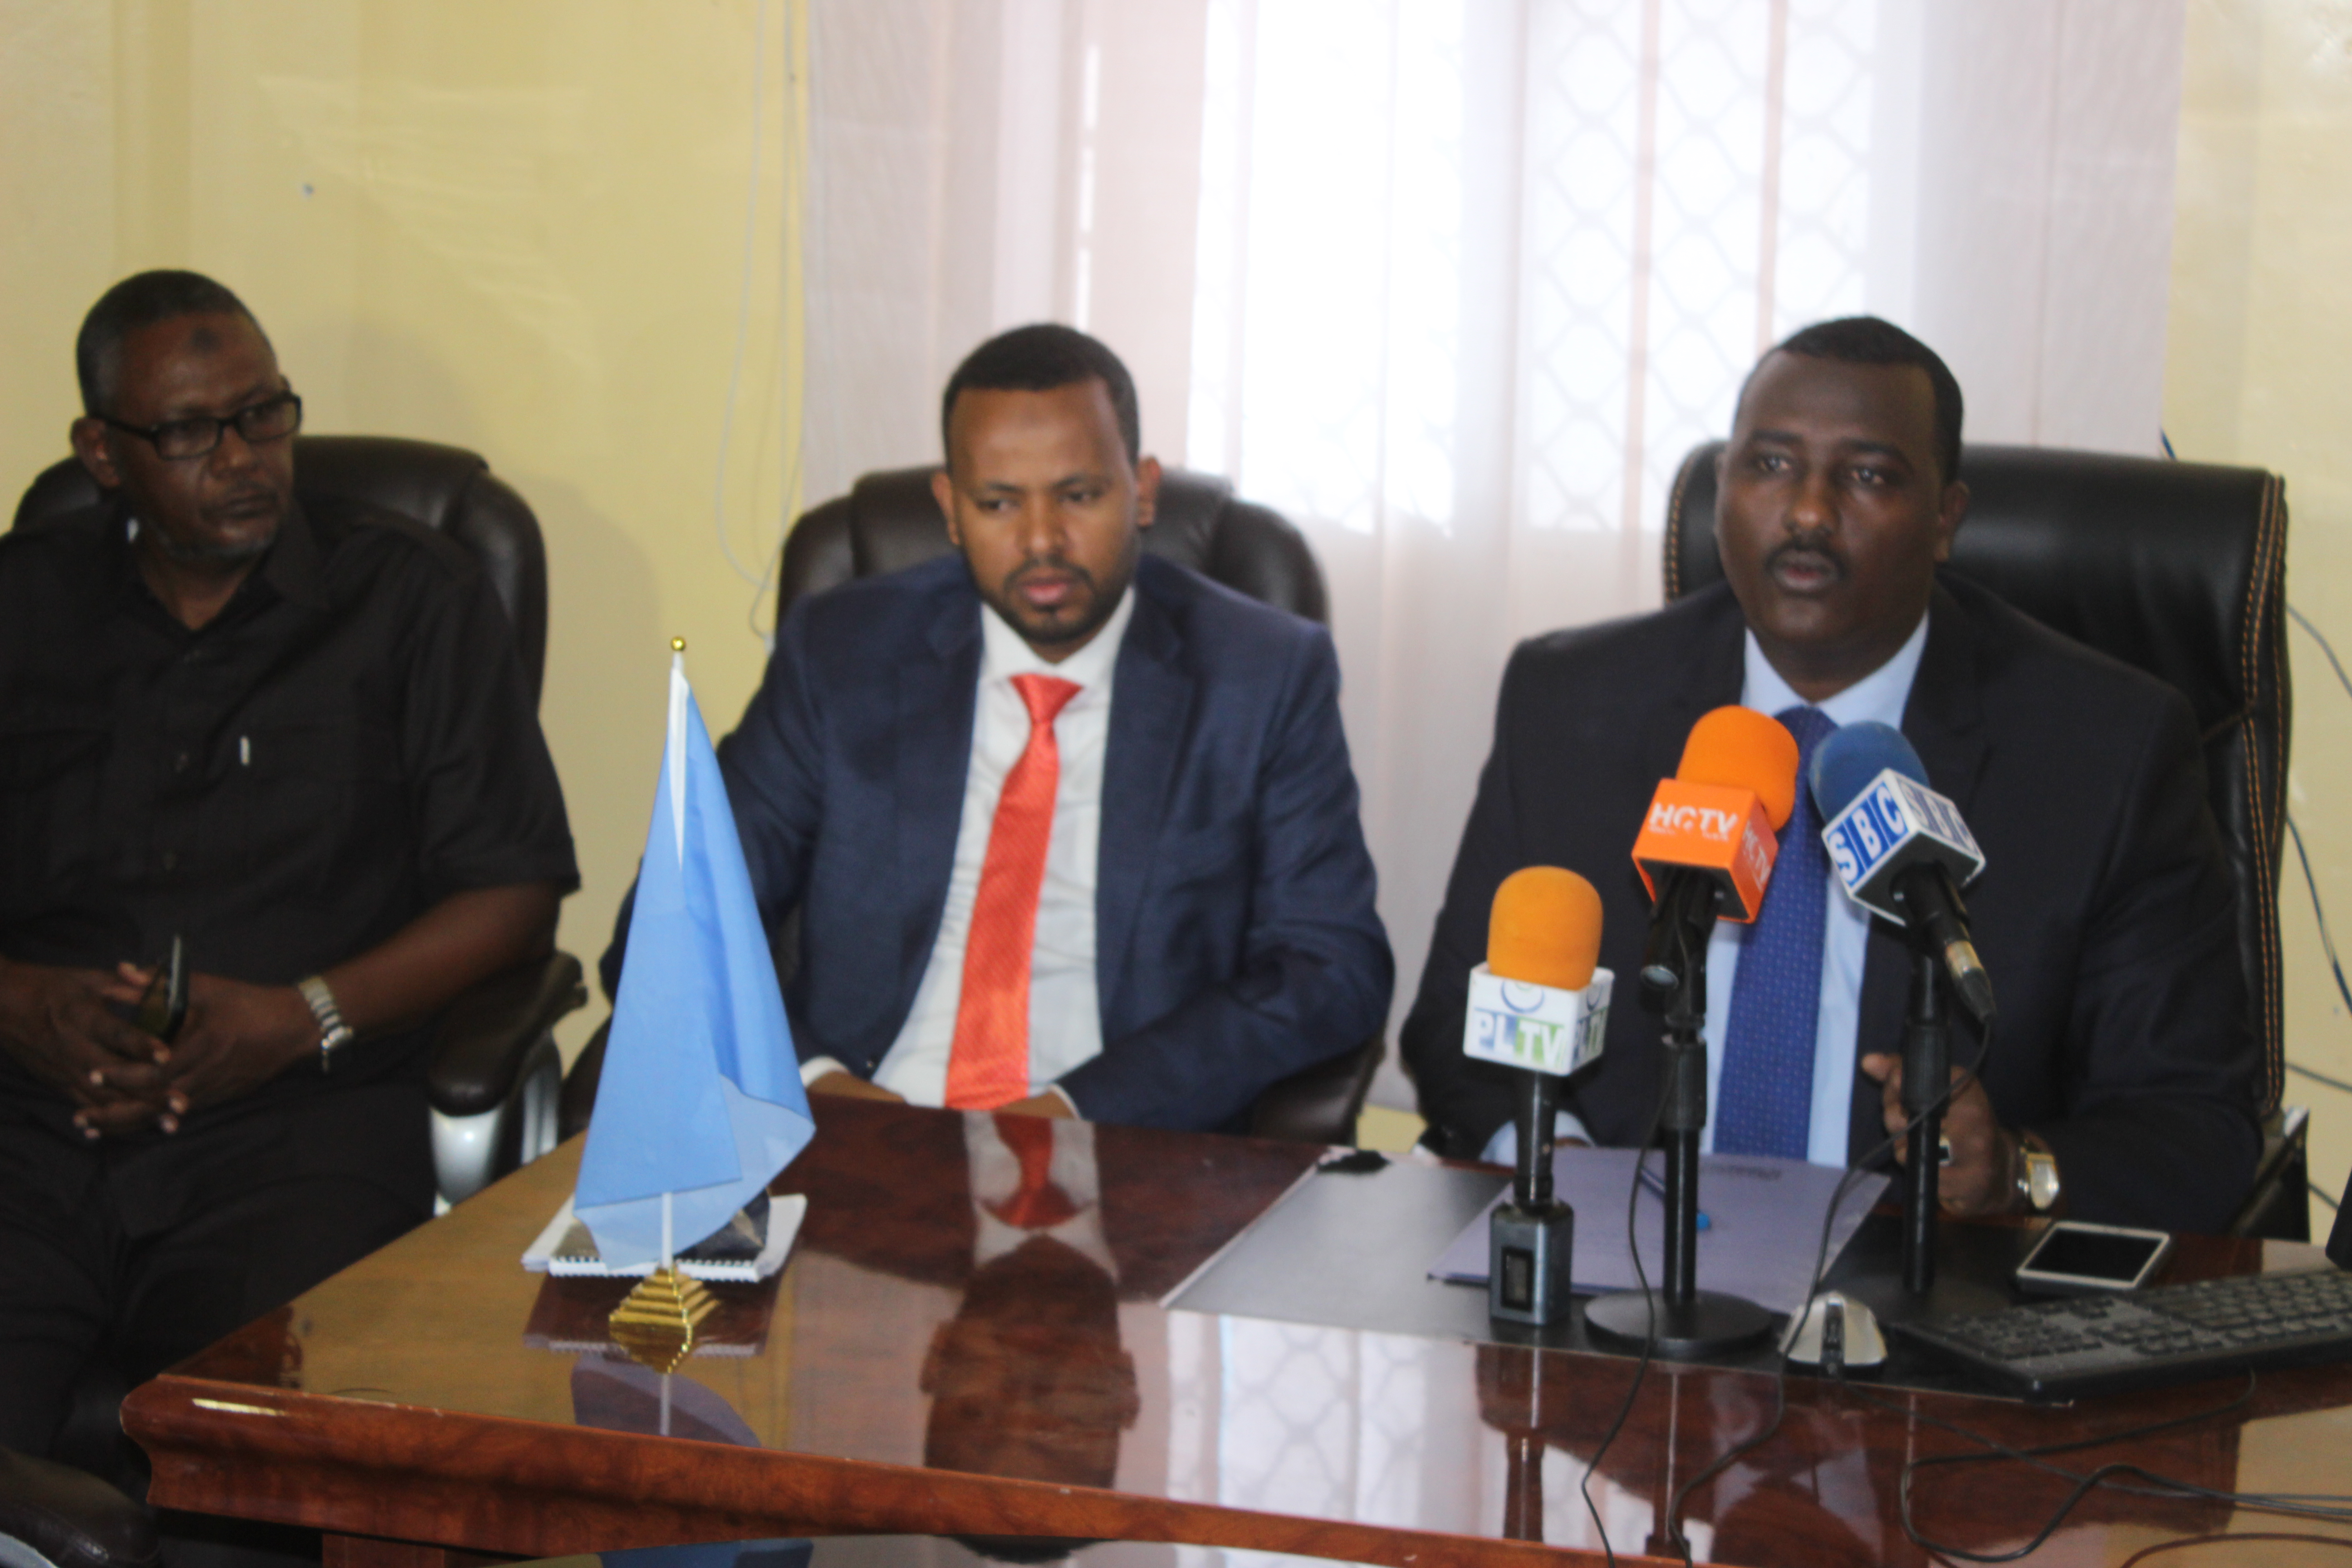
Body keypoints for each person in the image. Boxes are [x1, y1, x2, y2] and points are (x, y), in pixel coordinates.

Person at [1401, 316, 2260, 1233]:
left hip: (1919, 1281)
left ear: (1946, 519)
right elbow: (1460, 1026)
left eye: (1868, 476)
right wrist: (1562, 1167)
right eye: (1771, 464)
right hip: (1621, 1260)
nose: (1809, 512)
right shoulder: (1570, 703)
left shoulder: (2104, 751)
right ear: (1722, 490)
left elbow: (2195, 1128)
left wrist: (2015, 1170)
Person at [0, 271, 578, 1462]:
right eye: (189, 433)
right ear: (102, 454)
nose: (244, 459)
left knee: (255, 1471)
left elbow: (514, 889)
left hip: (299, 1131)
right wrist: (17, 1001)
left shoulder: (413, 598)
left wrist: (300, 1017)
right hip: (31, 1120)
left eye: (264, 414)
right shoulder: (22, 602)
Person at [600, 323, 1390, 1132]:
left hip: (1114, 1141)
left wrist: (1080, 1110)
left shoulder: (1260, 675)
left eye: (1079, 496)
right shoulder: (841, 655)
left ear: (1144, 491)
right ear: (950, 509)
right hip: (859, 1129)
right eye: (999, 504)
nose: (1041, 540)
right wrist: (821, 1088)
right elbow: (670, 926)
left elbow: (1332, 966)